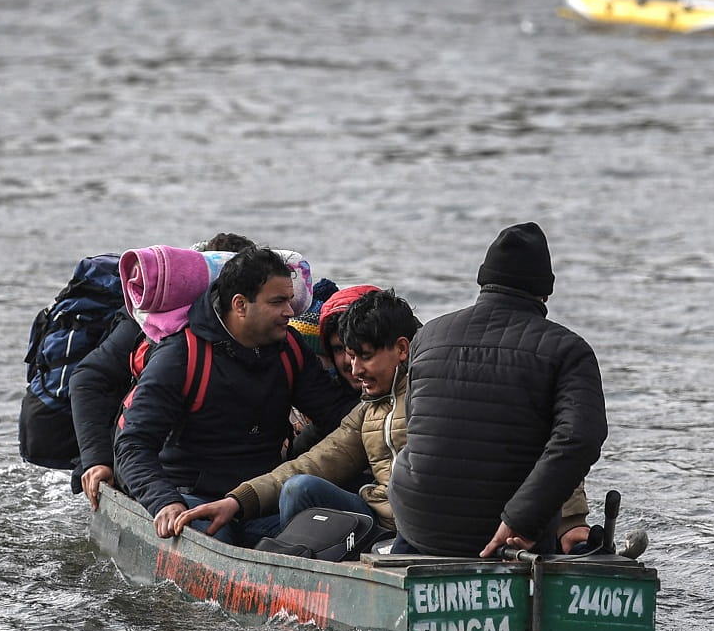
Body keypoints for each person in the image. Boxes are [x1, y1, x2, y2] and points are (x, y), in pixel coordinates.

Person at [181, 288, 594, 550]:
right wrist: (237, 500)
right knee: (299, 488)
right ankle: (312, 566)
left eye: (364, 356)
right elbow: (311, 463)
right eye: (348, 356)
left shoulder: (437, 392)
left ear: (401, 349)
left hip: (433, 529)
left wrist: (571, 523)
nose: (354, 369)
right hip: (377, 522)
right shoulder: (366, 411)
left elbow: (549, 446)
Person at [114, 245, 359, 545]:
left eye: (290, 300)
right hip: (194, 501)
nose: (290, 311)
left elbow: (336, 415)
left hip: (260, 499)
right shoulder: (181, 356)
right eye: (278, 302)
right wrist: (164, 502)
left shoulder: (290, 348)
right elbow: (133, 445)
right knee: (213, 539)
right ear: (240, 305)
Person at [387, 222, 606, 558]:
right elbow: (579, 439)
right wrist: (522, 519)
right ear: (545, 292)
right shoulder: (569, 351)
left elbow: (413, 427)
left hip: (419, 524)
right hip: (507, 535)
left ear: (483, 281)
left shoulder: (428, 336)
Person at [67, 233, 255, 509]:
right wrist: (97, 460)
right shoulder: (157, 321)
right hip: (147, 455)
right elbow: (88, 378)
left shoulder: (267, 329)